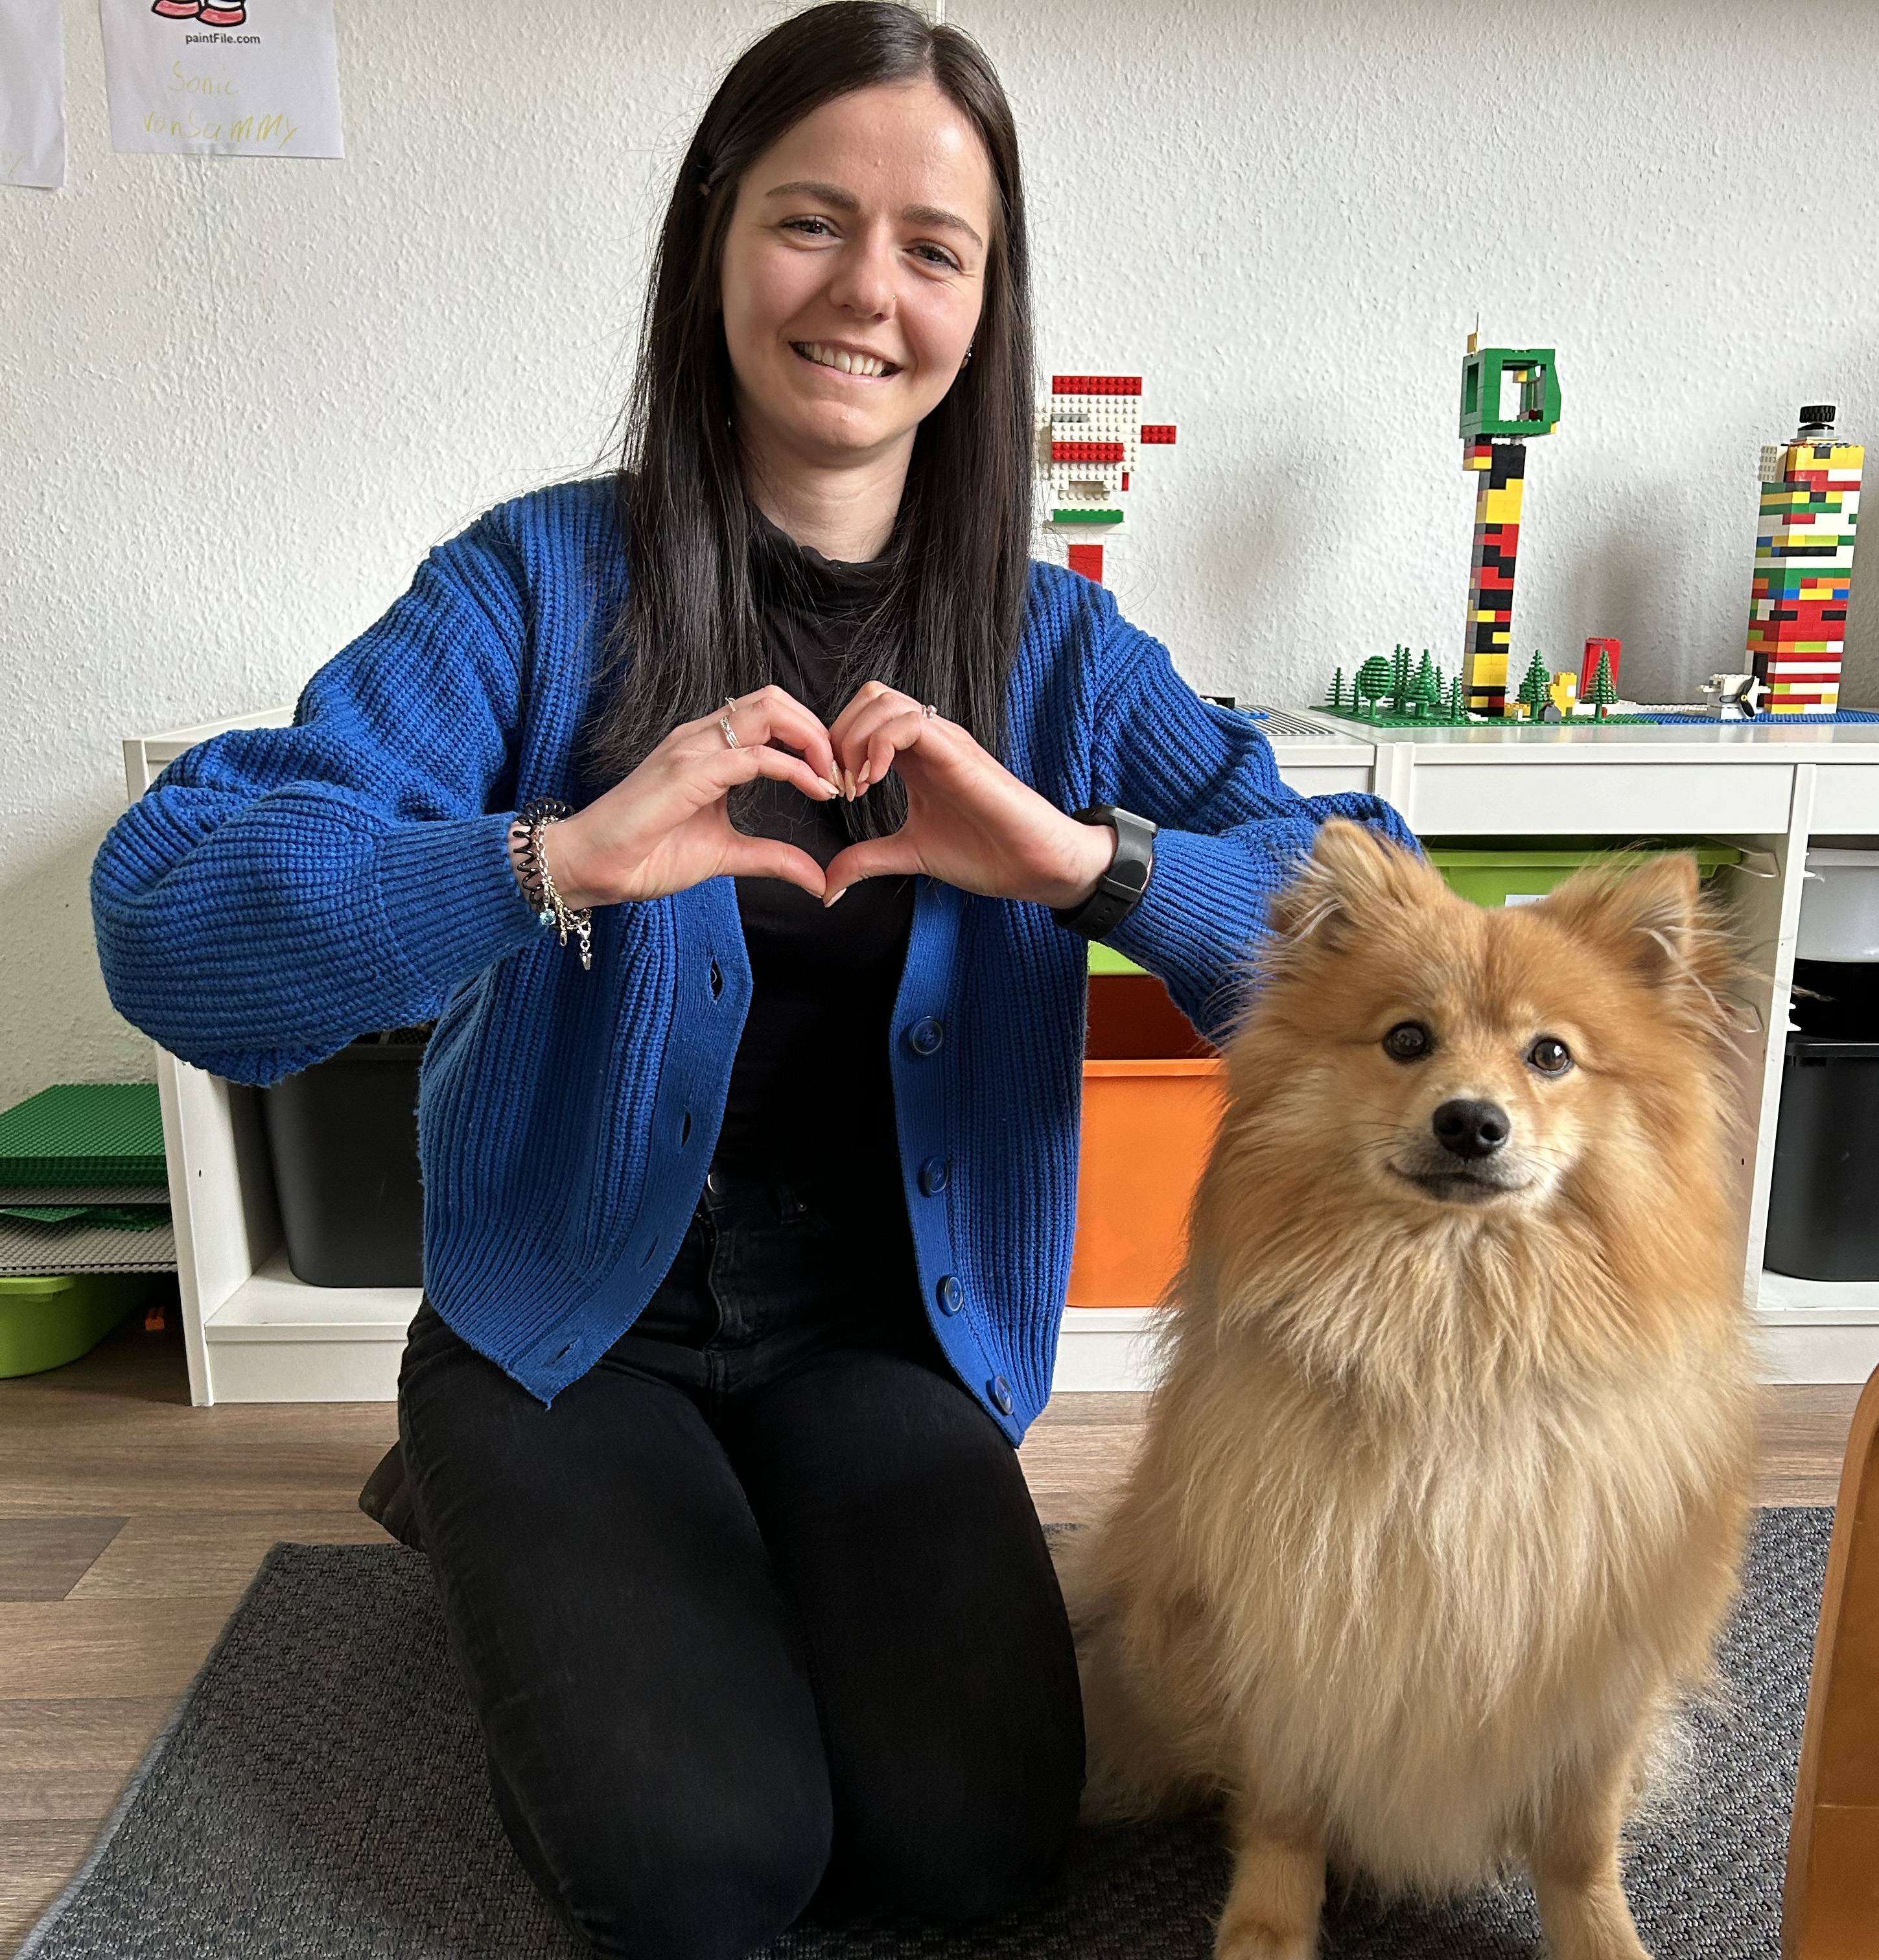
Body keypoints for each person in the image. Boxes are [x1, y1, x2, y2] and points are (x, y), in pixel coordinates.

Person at [91, 6, 1414, 1956]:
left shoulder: (1060, 654)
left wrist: (1084, 863)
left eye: (933, 248)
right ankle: (479, 1491)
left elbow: (1396, 933)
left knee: (971, 1849)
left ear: (986, 302)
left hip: (881, 1336)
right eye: (811, 221)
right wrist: (546, 857)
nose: (867, 290)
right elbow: (172, 914)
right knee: (704, 1869)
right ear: (715, 238)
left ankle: (692, 1548)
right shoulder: (531, 589)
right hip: (569, 1325)